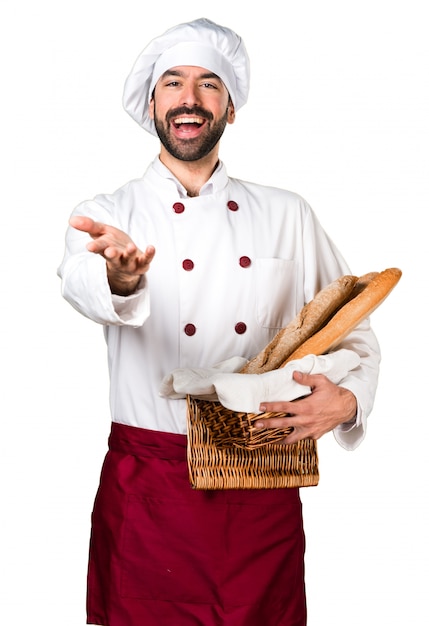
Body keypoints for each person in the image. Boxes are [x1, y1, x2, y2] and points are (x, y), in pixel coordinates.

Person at [58, 17, 381, 626]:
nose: (189, 98)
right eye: (173, 83)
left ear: (230, 108)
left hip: (262, 488)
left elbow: (352, 328)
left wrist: (349, 401)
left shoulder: (288, 213)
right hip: (150, 490)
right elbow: (82, 283)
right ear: (152, 103)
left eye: (209, 85)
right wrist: (122, 278)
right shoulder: (107, 213)